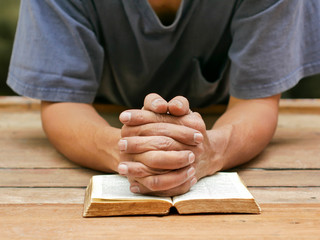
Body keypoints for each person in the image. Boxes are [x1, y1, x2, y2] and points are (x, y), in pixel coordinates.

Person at [7, 0, 320, 196]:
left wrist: (212, 150)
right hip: (104, 114)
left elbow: (256, 102)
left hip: (222, 114)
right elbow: (64, 103)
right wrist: (124, 150)